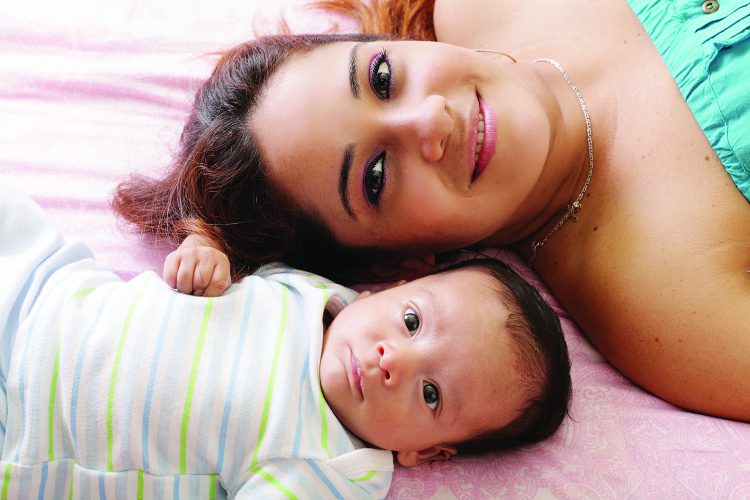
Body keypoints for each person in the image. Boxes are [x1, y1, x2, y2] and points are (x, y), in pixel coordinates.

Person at [112, 0, 750, 421]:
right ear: (404, 264)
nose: (431, 119)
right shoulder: (670, 316)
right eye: (377, 176)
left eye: (383, 77)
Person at [0, 185, 570, 498]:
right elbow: (229, 255)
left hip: (31, 429)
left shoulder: (338, 465)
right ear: (392, 289)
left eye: (430, 394)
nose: (392, 359)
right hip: (44, 291)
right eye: (413, 322)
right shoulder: (316, 293)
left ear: (426, 453)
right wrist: (206, 256)